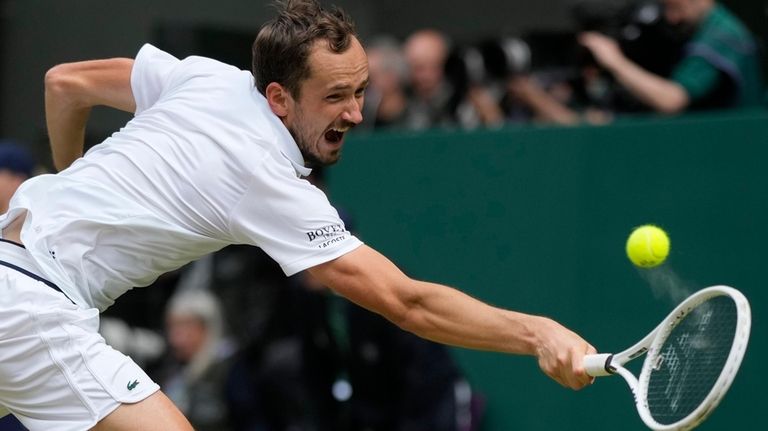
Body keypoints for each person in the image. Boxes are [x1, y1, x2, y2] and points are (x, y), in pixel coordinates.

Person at [0, 1, 595, 430]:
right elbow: (405, 302)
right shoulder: (266, 178)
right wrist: (536, 332)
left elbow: (65, 84)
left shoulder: (204, 77)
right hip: (34, 308)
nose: (356, 113)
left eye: (360, 90)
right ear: (278, 97)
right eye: (335, 97)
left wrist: (67, 180)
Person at [579, 0, 763, 114]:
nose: (672, 17)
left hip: (735, 149)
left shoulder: (721, 34)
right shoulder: (699, 30)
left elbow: (672, 100)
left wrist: (615, 62)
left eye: (674, 5)